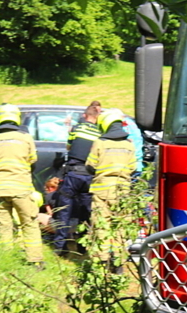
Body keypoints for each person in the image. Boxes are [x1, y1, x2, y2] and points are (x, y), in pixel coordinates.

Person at [0, 103, 44, 269]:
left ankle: (5, 260)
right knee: (29, 223)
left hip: (0, 189)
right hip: (21, 189)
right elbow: (33, 160)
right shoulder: (25, 138)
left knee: (3, 226)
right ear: (16, 118)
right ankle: (35, 261)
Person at [86, 107, 139, 266]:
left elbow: (90, 166)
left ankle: (101, 261)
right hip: (122, 192)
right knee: (120, 228)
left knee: (101, 225)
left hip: (102, 191)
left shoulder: (100, 143)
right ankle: (118, 264)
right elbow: (133, 168)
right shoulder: (129, 145)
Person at [52, 104, 101, 256]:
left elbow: (68, 147)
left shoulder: (77, 129)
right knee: (85, 213)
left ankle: (61, 248)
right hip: (89, 176)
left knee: (64, 211)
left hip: (73, 174)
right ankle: (82, 247)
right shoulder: (100, 133)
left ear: (85, 116)